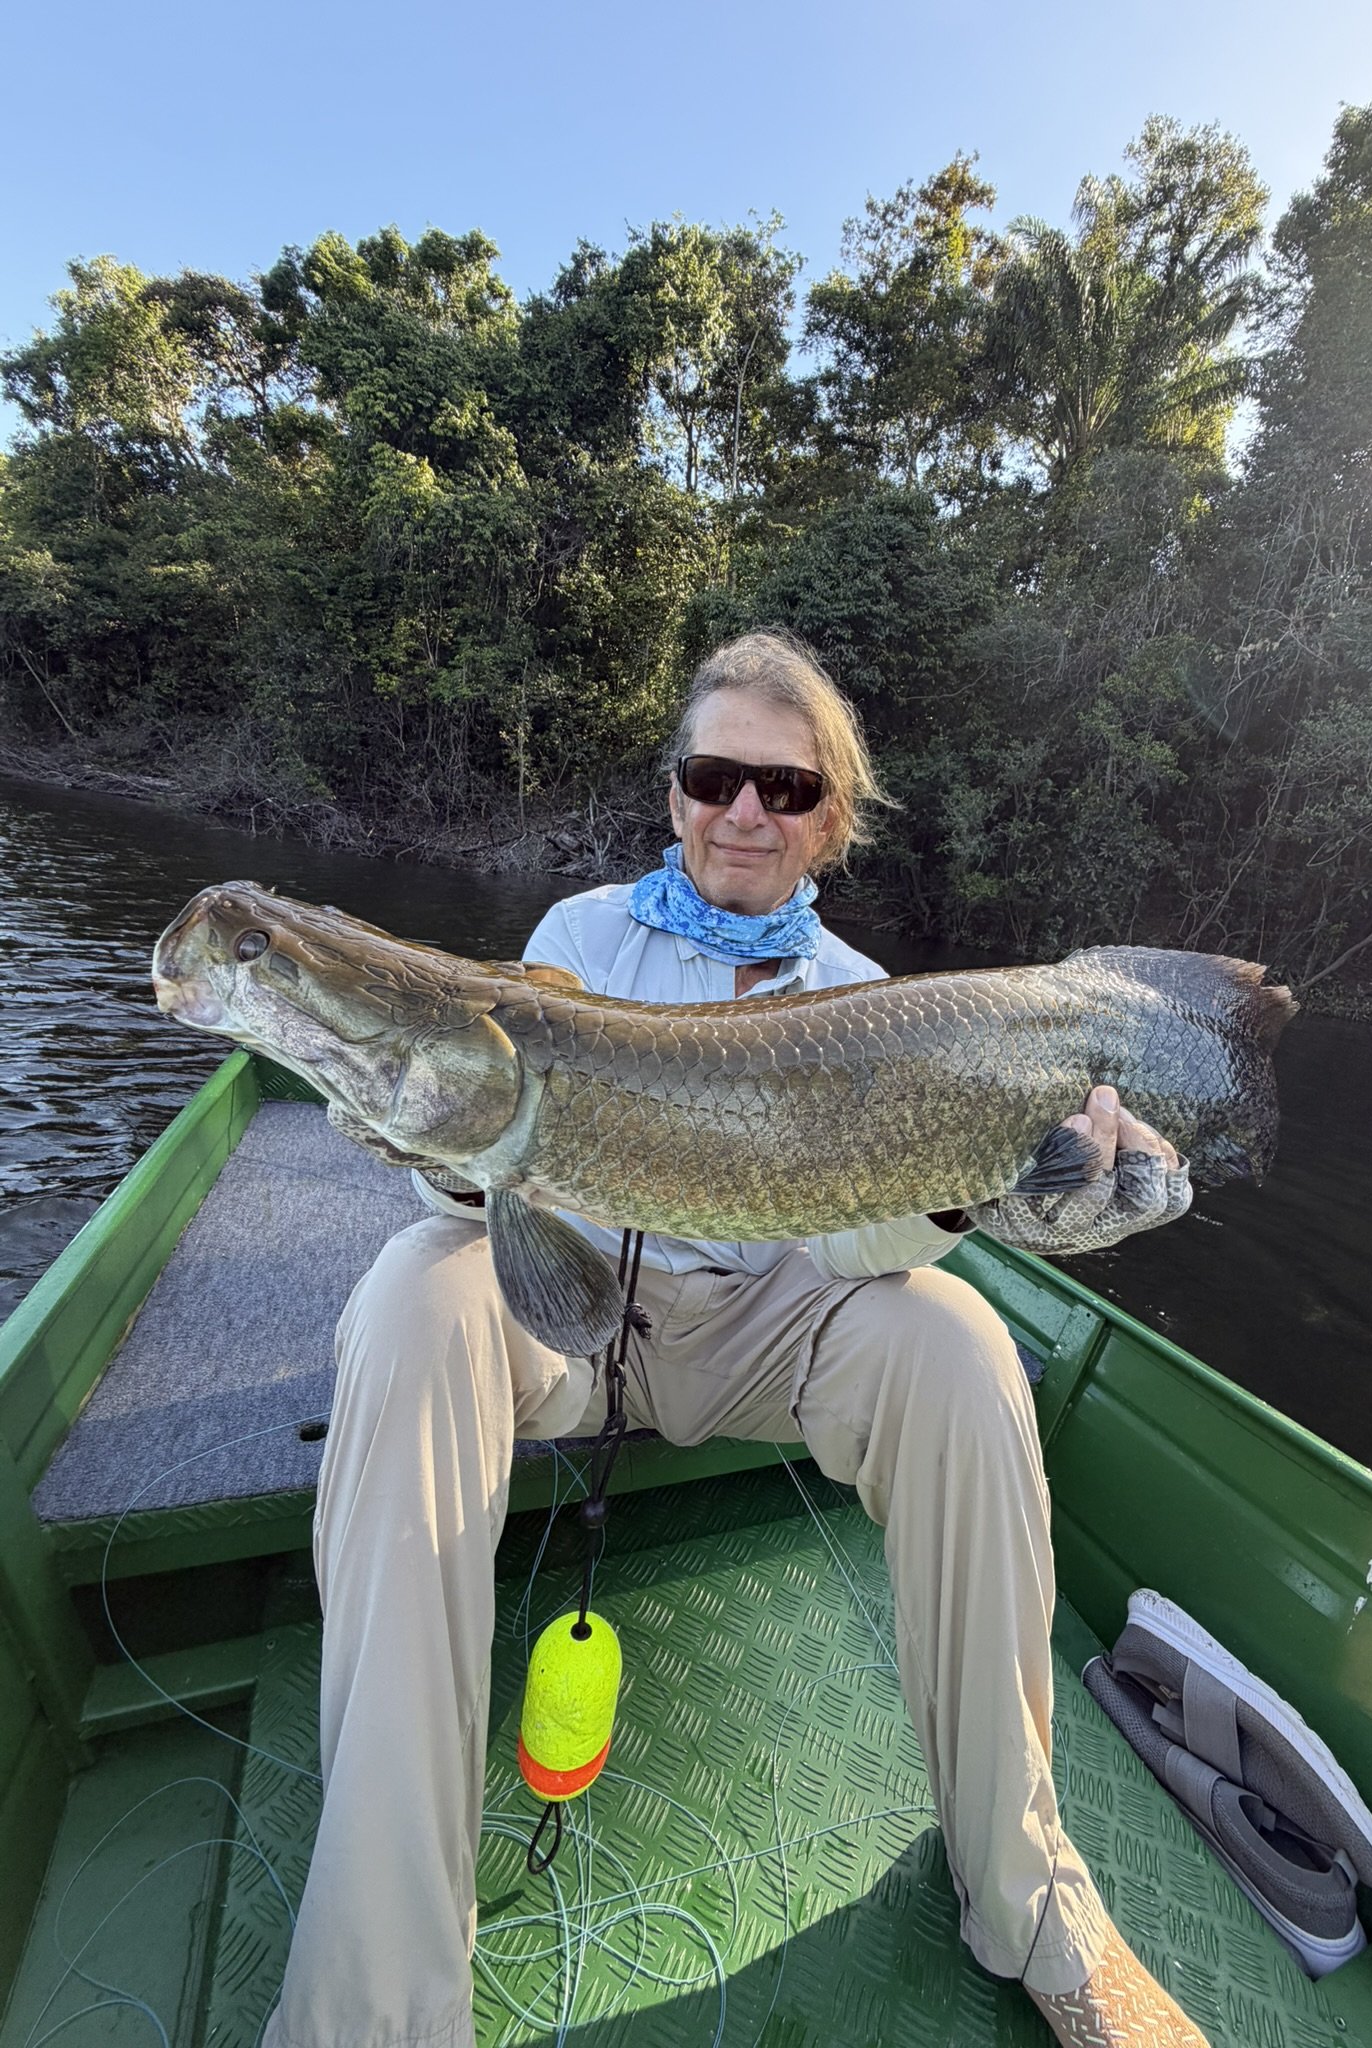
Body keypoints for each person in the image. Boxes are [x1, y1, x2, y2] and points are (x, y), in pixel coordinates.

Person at [263, 631, 1209, 2048]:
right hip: (583, 1328)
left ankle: (1033, 1901)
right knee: (411, 1286)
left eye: (785, 786)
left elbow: (850, 1249)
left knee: (956, 1339)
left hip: (776, 1322)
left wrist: (990, 1186)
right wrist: (442, 1160)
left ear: (833, 817)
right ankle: (380, 2002)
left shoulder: (874, 997)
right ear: (675, 793)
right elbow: (486, 1171)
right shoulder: (575, 944)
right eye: (716, 777)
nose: (744, 814)